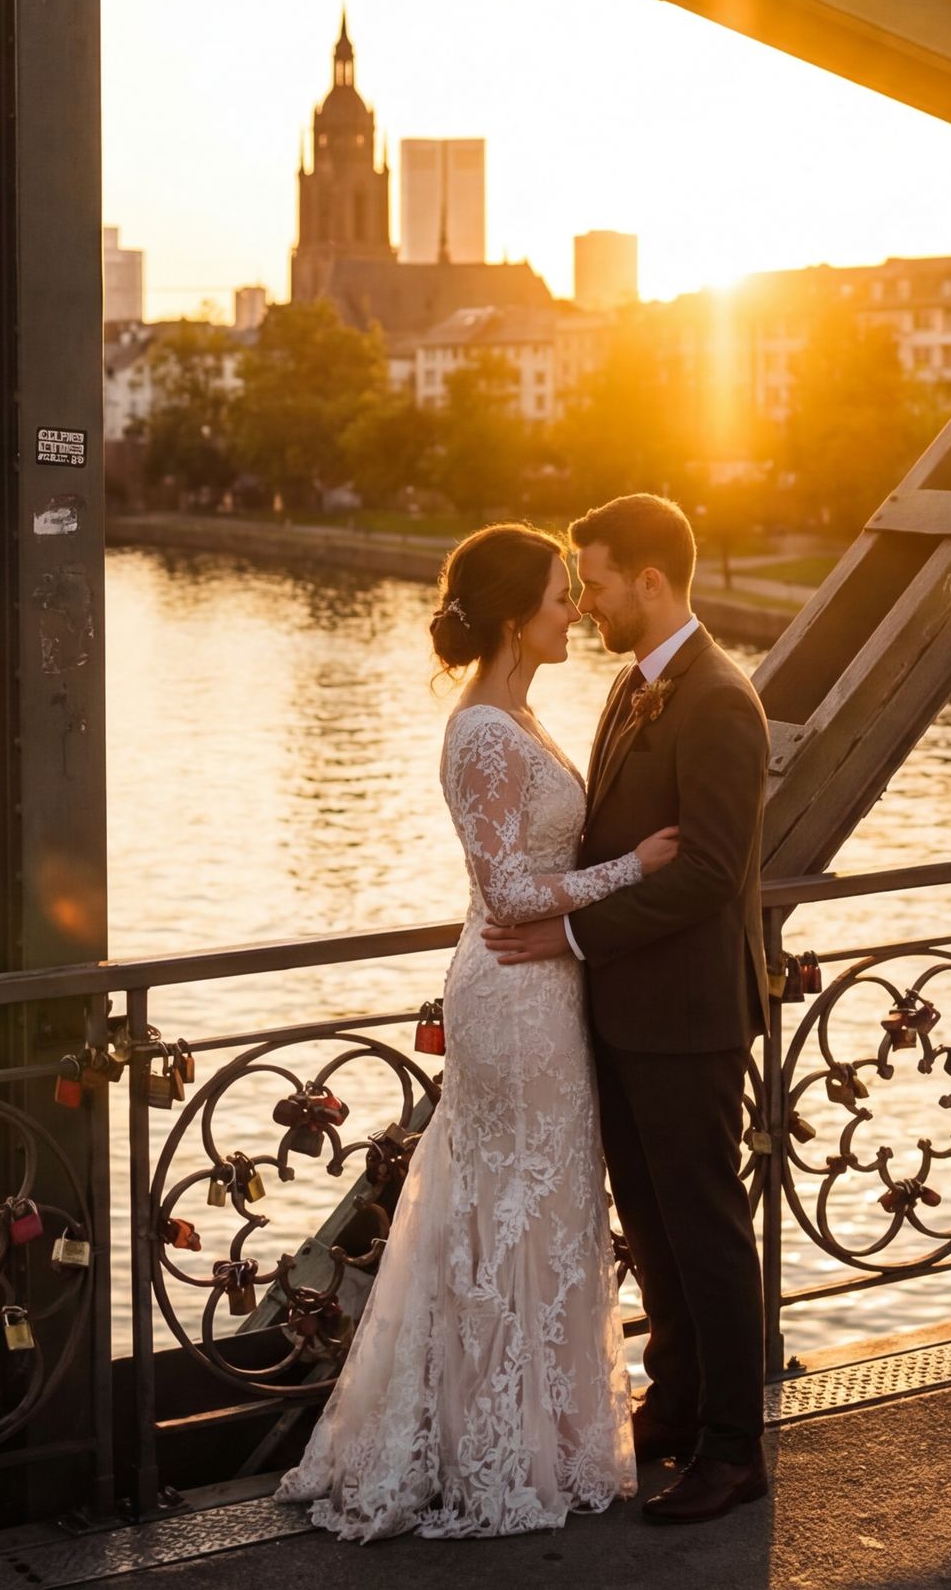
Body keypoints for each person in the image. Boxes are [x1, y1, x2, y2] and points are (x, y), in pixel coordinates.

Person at [276, 522, 679, 1540]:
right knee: (505, 1211)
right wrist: (635, 867)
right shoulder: (482, 734)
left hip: (546, 987)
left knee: (543, 1207)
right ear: (512, 616)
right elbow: (505, 890)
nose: (574, 610)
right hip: (510, 992)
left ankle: (542, 1436)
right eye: (559, 595)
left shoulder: (520, 715)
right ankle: (488, 1451)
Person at [484, 493, 771, 1525]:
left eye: (597, 582)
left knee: (705, 1227)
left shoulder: (721, 700)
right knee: (652, 1227)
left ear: (650, 581)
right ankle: (678, 1402)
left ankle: (735, 1449)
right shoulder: (631, 685)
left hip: (688, 1017)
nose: (587, 600)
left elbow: (709, 873)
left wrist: (570, 936)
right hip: (624, 1014)